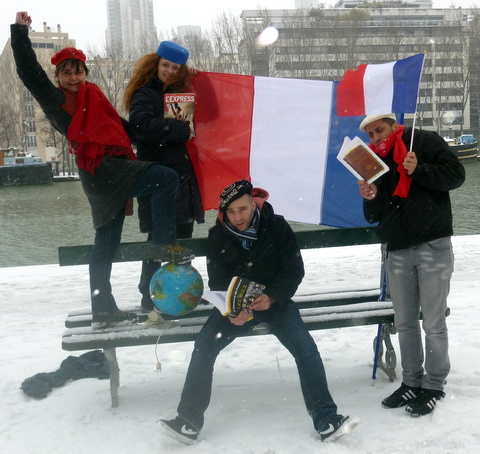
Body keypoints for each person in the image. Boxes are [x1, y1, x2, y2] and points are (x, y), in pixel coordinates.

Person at [11, 12, 195, 328]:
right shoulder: (56, 99)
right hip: (102, 169)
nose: (73, 77)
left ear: (85, 73)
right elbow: (29, 72)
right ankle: (165, 244)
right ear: (58, 77)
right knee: (166, 178)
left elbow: (125, 129)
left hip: (105, 173)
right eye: (66, 72)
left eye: (78, 71)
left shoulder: (93, 96)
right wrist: (20, 31)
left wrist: (167, 130)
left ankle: (103, 310)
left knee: (106, 244)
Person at [160, 179, 359, 444]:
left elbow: (294, 269)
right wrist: (232, 310)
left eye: (242, 209)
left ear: (253, 204)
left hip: (275, 304)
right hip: (236, 309)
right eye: (231, 212)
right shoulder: (217, 234)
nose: (237, 217)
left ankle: (326, 420)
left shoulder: (276, 226)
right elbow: (218, 281)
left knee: (306, 348)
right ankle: (188, 421)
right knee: (204, 346)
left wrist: (273, 296)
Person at [357, 114, 465, 416]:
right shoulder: (373, 161)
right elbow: (374, 215)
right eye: (371, 134)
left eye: (379, 130)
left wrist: (420, 170)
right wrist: (370, 197)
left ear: (394, 125)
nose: (376, 137)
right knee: (404, 321)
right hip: (397, 248)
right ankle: (411, 381)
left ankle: (434, 384)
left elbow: (456, 176)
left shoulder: (424, 141)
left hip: (433, 243)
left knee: (433, 321)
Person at [124, 41, 204, 312]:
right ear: (155, 64)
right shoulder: (145, 93)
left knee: (183, 239)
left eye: (176, 68)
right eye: (165, 65)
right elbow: (140, 125)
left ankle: (181, 293)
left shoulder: (183, 93)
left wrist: (199, 82)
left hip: (183, 177)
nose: (169, 71)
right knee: (157, 241)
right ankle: (149, 296)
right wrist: (177, 129)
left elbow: (212, 113)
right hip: (157, 179)